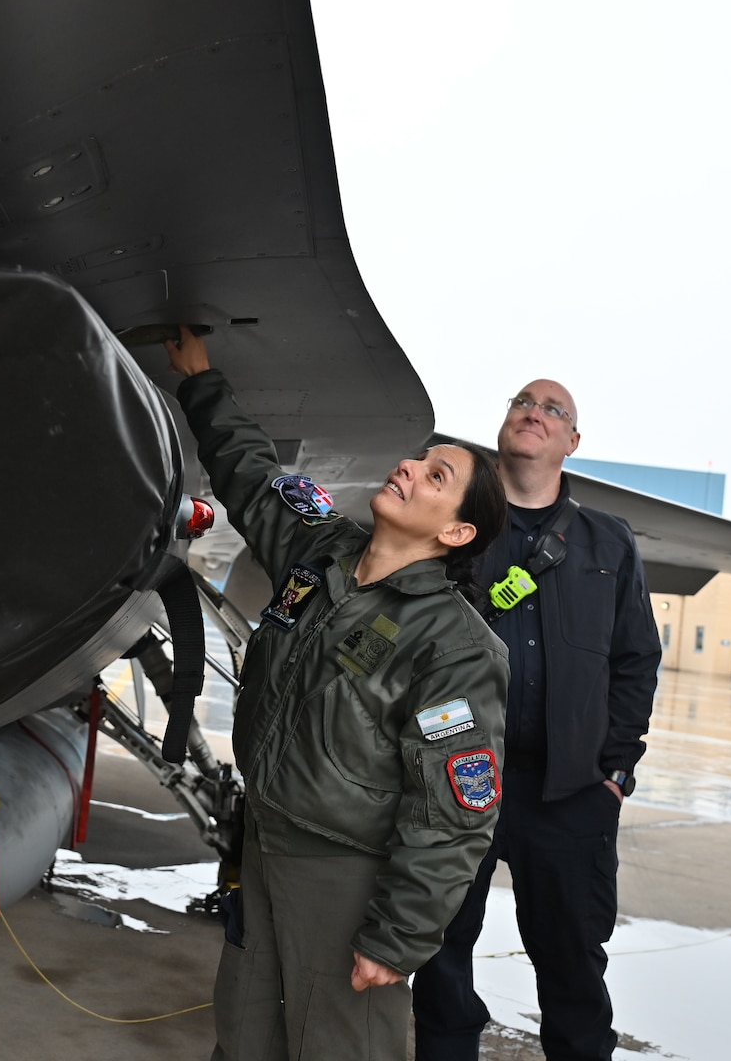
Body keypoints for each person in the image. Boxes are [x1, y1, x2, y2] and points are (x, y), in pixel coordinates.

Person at [163, 327, 510, 1061]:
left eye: (437, 476)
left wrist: (399, 936)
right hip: (264, 849)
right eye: (420, 459)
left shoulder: (455, 646)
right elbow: (252, 477)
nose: (411, 469)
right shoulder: (318, 552)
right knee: (245, 1037)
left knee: (340, 1048)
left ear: (457, 530)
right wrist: (200, 379)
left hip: (345, 876)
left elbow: (454, 811)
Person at [412, 380, 663, 1061]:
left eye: (555, 410)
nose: (535, 412)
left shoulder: (606, 542)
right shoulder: (456, 528)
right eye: (523, 401)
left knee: (573, 965)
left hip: (569, 793)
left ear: (572, 443)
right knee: (439, 955)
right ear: (503, 427)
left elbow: (638, 657)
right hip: (460, 783)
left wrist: (614, 770)